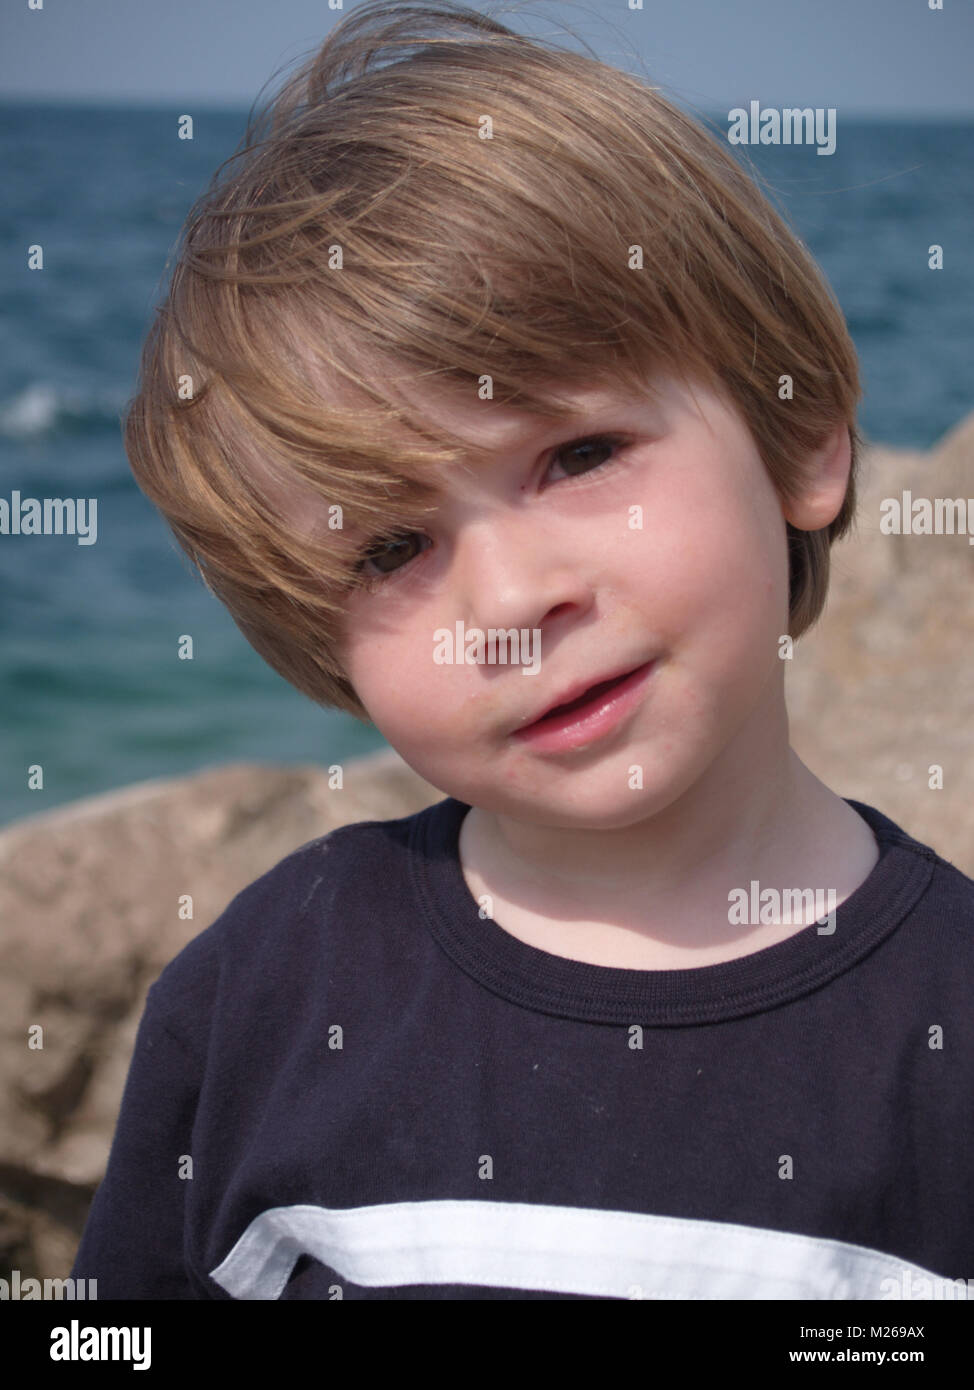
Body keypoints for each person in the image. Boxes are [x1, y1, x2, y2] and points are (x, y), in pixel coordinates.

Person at [71, 0, 974, 1299]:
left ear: (799, 440)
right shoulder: (263, 992)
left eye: (580, 454)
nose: (508, 597)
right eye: (388, 549)